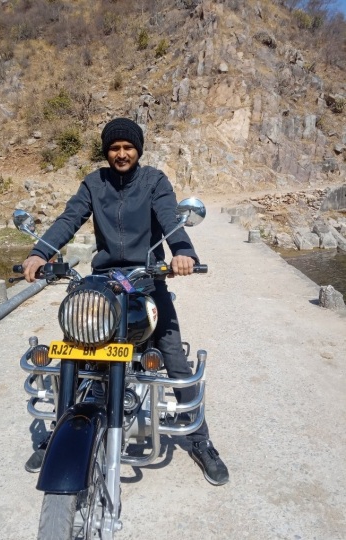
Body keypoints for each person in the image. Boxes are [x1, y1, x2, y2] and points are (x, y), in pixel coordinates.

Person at [22, 118, 229, 486]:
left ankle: (201, 441)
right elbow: (70, 217)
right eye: (115, 148)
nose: (121, 154)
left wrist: (183, 252)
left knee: (173, 355)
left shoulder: (154, 181)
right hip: (104, 279)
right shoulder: (94, 183)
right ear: (107, 152)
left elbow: (170, 219)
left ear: (138, 150)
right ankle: (61, 430)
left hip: (146, 277)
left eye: (128, 147)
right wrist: (41, 252)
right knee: (76, 343)